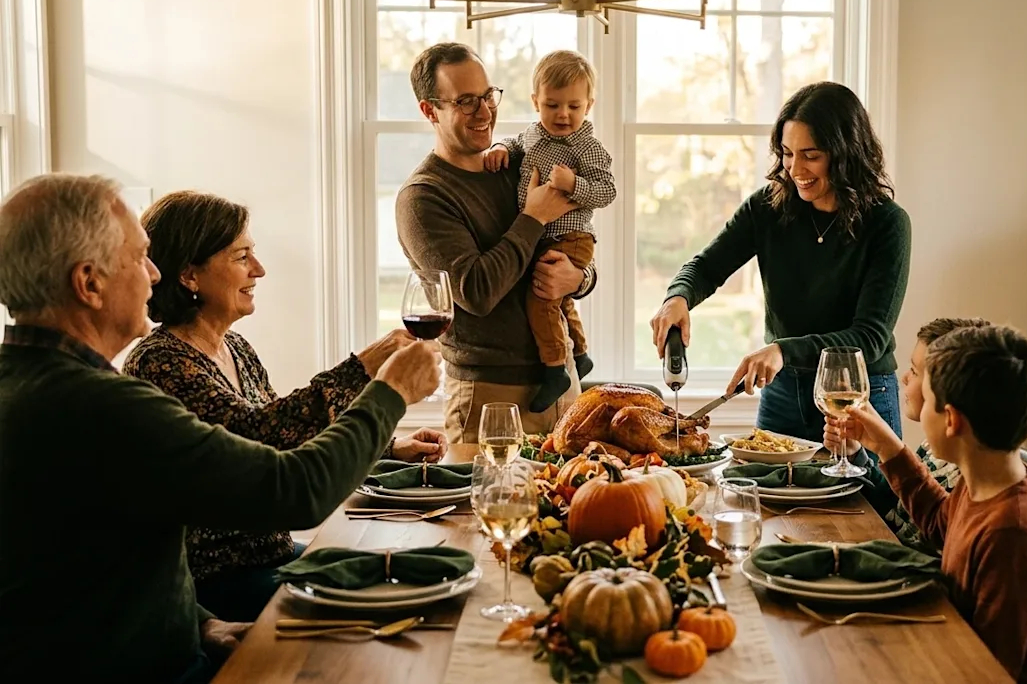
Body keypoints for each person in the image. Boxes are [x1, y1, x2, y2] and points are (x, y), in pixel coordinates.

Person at [0, 173, 441, 682]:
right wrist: (388, 393)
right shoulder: (106, 404)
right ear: (89, 283)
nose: (153, 273)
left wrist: (201, 624)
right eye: (140, 256)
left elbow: (89, 562)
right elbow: (296, 490)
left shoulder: (33, 387)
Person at [121, 189, 449, 623]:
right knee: (389, 601)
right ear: (189, 275)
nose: (259, 269)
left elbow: (288, 438)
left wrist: (388, 450)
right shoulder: (160, 362)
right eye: (241, 257)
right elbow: (258, 436)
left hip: (270, 553)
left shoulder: (234, 346)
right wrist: (366, 369)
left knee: (409, 565)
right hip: (219, 578)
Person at [650, 81, 910, 512]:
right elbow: (706, 266)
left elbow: (870, 337)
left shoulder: (888, 225)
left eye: (811, 155)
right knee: (769, 514)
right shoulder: (768, 209)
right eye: (788, 153)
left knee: (868, 519)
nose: (795, 168)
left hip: (858, 399)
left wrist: (782, 350)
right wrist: (677, 298)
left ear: (846, 154)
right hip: (784, 395)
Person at [834, 325, 1027, 682]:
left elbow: (985, 670)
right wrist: (889, 449)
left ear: (951, 419)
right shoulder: (988, 479)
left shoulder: (1013, 533)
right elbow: (940, 523)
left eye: (930, 399)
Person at [397, 42, 597, 454]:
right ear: (430, 111)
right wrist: (533, 218)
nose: (485, 111)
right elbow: (476, 292)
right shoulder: (423, 198)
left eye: (487, 95)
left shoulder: (514, 166)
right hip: (489, 393)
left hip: (561, 384)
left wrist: (579, 278)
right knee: (483, 516)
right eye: (465, 101)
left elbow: (571, 242)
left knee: (567, 514)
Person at [482, 49, 615, 412]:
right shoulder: (532, 134)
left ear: (588, 105)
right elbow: (516, 144)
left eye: (573, 106)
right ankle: (581, 352)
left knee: (541, 298)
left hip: (573, 236)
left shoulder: (587, 147)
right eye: (552, 105)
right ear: (535, 102)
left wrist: (573, 184)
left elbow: (607, 189)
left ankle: (556, 368)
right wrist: (499, 148)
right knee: (558, 297)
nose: (563, 115)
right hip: (542, 235)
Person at [824, 317, 989, 553]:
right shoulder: (937, 451)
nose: (904, 378)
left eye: (914, 371)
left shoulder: (968, 479)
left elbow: (920, 546)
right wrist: (861, 453)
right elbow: (899, 511)